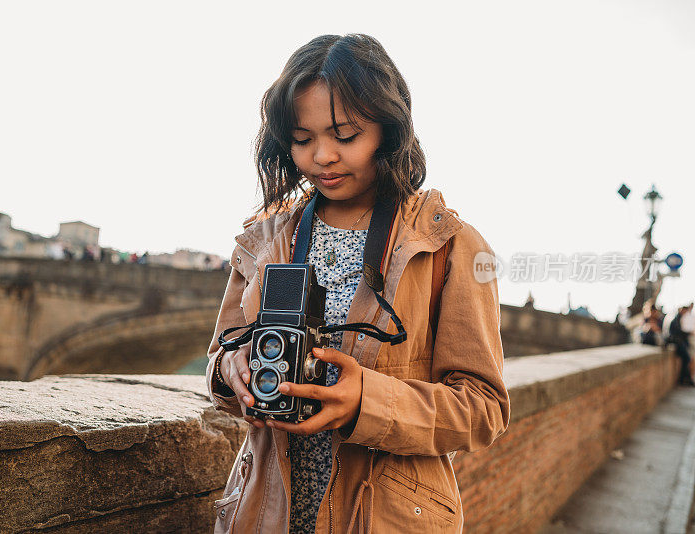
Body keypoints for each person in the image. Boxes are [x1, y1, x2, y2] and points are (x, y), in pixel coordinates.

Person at [205, 34, 509, 534]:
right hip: (266, 512)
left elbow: (484, 409)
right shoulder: (265, 240)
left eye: (344, 135)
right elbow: (221, 358)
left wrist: (368, 400)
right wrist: (231, 370)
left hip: (383, 517)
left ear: (388, 130)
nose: (321, 157)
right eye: (302, 139)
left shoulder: (449, 245)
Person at [669, 304, 694, 386]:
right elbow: (678, 332)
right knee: (686, 359)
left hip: (680, 341)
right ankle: (684, 379)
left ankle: (685, 378)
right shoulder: (676, 319)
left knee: (686, 359)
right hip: (677, 342)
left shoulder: (679, 318)